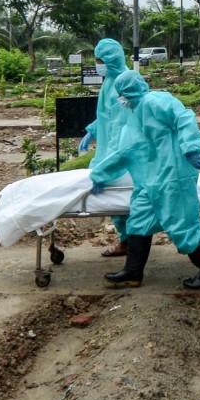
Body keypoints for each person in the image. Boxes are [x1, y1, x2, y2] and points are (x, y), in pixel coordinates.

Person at [95, 70, 200, 290]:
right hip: (149, 180)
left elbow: (184, 117)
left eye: (121, 93)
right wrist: (99, 175)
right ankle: (132, 272)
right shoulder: (133, 115)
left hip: (172, 175)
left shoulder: (155, 101)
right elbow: (125, 153)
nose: (120, 99)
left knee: (183, 224)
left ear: (129, 91)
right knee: (138, 220)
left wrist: (190, 148)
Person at [77, 39, 133, 258]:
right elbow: (105, 114)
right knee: (118, 197)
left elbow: (122, 123)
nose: (98, 64)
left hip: (119, 147)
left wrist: (111, 160)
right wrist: (92, 130)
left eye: (100, 60)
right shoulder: (109, 80)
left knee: (122, 194)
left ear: (111, 59)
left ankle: (131, 242)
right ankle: (128, 240)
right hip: (108, 144)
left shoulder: (124, 81)